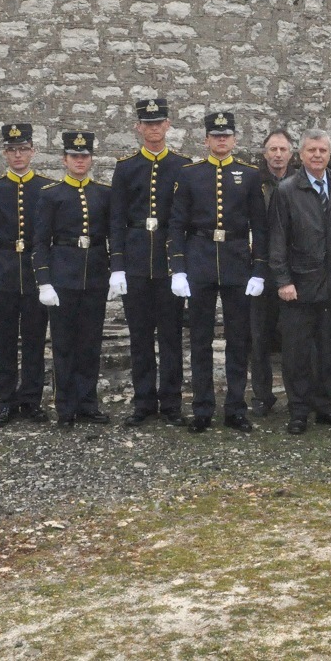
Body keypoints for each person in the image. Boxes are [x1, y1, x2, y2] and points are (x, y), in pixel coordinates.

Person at [168, 111, 267, 433]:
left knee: (239, 340)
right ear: (207, 139)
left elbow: (260, 227)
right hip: (200, 261)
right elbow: (178, 224)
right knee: (200, 340)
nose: (221, 140)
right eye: (216, 135)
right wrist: (179, 269)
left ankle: (236, 408)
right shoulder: (190, 174)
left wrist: (259, 270)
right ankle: (202, 408)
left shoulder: (250, 175)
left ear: (234, 139)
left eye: (227, 135)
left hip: (238, 262)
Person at [268, 130, 331, 435]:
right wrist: (283, 280)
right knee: (296, 352)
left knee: (328, 350)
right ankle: (298, 410)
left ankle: (326, 406)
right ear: (301, 154)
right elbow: (277, 240)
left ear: (329, 154)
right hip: (299, 285)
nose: (317, 155)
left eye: (323, 150)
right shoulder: (286, 190)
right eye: (311, 150)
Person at [111, 97, 190, 428]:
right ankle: (143, 402)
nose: (154, 128)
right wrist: (117, 266)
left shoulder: (183, 166)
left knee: (171, 336)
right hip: (137, 262)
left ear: (168, 126)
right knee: (140, 335)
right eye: (148, 124)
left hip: (169, 265)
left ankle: (171, 402)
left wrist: (181, 266)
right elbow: (116, 219)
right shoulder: (126, 167)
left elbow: (184, 219)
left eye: (159, 123)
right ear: (138, 128)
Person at [34, 130, 120, 428]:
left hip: (94, 275)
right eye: (74, 156)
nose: (79, 161)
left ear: (91, 159)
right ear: (64, 159)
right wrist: (44, 281)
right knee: (63, 344)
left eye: (84, 156)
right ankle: (65, 406)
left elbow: (113, 236)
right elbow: (41, 242)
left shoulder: (104, 193)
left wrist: (114, 272)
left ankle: (88, 403)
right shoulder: (51, 194)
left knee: (90, 344)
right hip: (62, 277)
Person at [0, 122, 51, 427]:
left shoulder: (45, 188)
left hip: (34, 272)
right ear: (4, 153)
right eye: (12, 150)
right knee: (3, 341)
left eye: (23, 149)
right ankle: (5, 401)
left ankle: (31, 400)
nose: (18, 155)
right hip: (3, 271)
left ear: (32, 151)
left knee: (34, 340)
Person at [251, 129, 297, 416]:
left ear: (291, 153)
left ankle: (297, 396)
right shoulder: (253, 182)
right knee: (258, 337)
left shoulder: (299, 181)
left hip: (293, 271)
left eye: (282, 149)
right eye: (272, 149)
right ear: (265, 153)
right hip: (259, 269)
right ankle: (262, 396)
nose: (277, 154)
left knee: (294, 337)